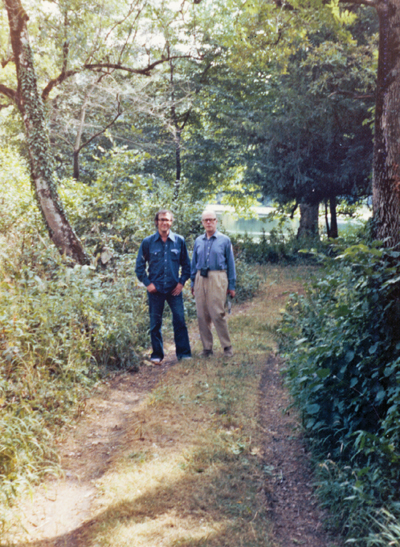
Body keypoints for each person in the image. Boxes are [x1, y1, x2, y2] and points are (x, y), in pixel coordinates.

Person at [135, 209, 192, 364]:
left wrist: (181, 284)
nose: (164, 223)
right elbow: (139, 267)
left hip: (174, 289)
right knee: (155, 323)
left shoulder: (179, 241)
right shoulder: (147, 242)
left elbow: (187, 265)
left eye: (167, 220)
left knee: (180, 320)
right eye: (161, 220)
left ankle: (184, 354)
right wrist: (148, 284)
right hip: (156, 290)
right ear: (156, 222)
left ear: (171, 222)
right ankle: (157, 354)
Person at [191, 209, 236, 358]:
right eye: (206, 220)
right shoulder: (198, 240)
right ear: (203, 223)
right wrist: (193, 283)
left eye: (211, 220)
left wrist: (232, 286)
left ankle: (227, 347)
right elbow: (193, 263)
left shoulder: (224, 240)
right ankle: (207, 348)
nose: (208, 222)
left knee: (217, 313)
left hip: (218, 277)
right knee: (202, 314)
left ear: (216, 221)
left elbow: (231, 264)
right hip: (200, 278)